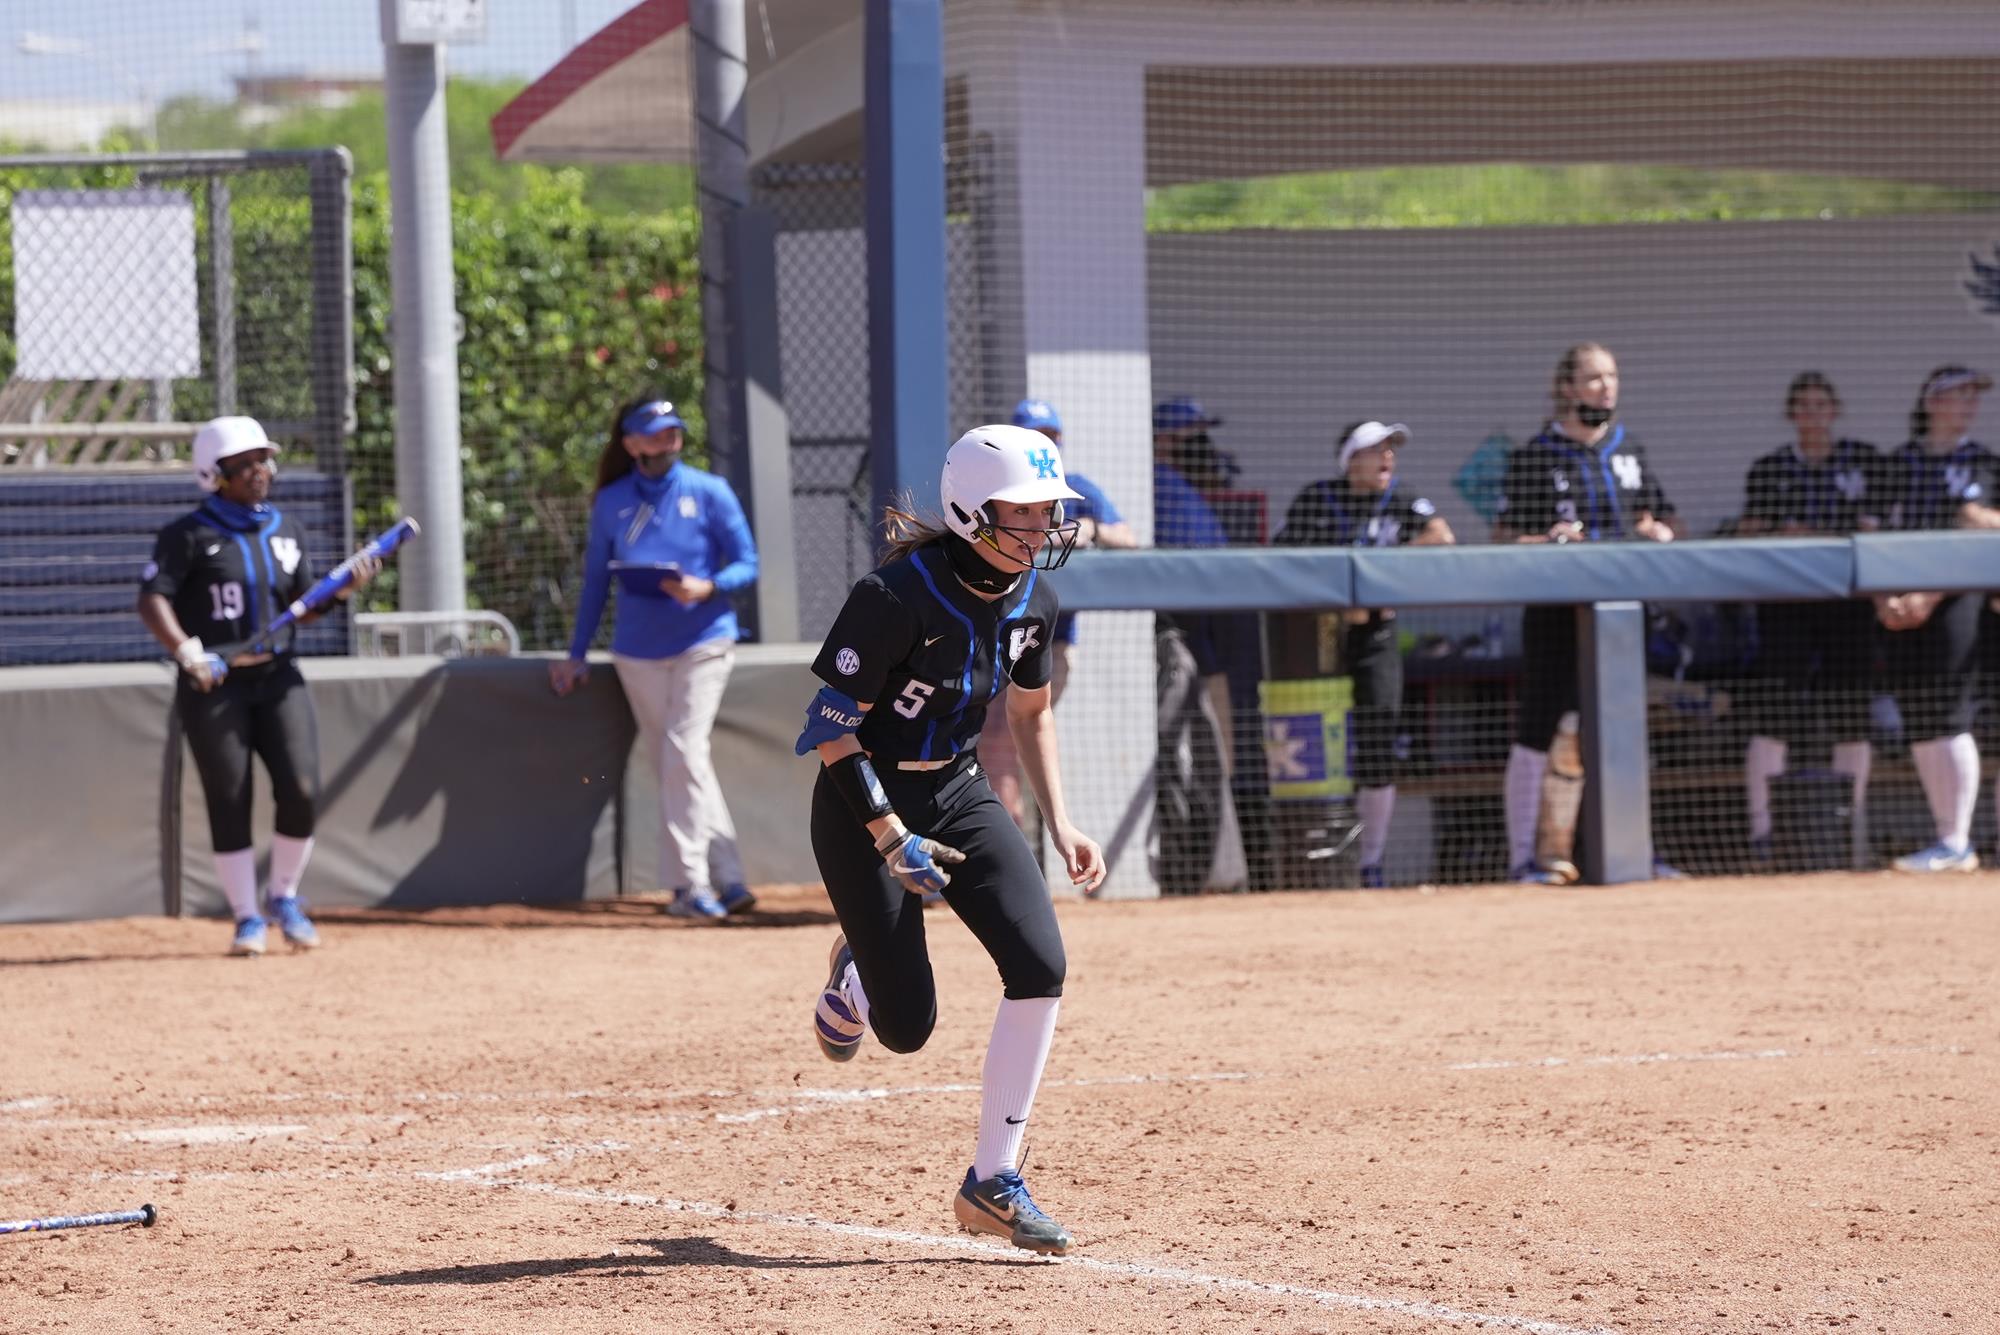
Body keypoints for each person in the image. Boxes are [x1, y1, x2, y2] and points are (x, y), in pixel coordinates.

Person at [797, 423, 1105, 1256]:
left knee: (1040, 963)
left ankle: (993, 1180)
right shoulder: (895, 594)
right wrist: (893, 838)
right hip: (863, 795)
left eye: (1051, 513)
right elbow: (831, 731)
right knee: (907, 1028)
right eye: (1026, 513)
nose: (1043, 529)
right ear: (972, 511)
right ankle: (860, 969)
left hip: (957, 786)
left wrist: (1062, 817)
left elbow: (1030, 712)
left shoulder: (1033, 599)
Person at [137, 416, 377, 956]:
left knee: (301, 788)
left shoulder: (286, 529)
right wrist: (186, 652)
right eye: (242, 465)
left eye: (263, 460)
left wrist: (341, 592)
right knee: (230, 795)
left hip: (278, 676)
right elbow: (152, 599)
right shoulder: (188, 535)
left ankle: (284, 897)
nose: (258, 472)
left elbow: (303, 609)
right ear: (213, 474)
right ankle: (247, 916)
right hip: (214, 685)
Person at [550, 396, 759, 918]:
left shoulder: (709, 490)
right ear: (631, 443)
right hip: (637, 651)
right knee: (681, 761)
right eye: (654, 432)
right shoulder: (612, 500)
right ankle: (729, 877)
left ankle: (689, 885)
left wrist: (706, 586)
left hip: (704, 639)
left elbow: (748, 563)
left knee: (682, 752)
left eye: (673, 430)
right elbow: (596, 580)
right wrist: (576, 654)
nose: (667, 439)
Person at [1492, 342, 1679, 885]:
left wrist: (1658, 532)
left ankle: (1629, 852)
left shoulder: (1630, 449)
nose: (1606, 387)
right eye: (1594, 378)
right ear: (1567, 388)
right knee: (1539, 732)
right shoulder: (1535, 455)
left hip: (1621, 617)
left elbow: (1662, 519)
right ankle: (1526, 858)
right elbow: (1503, 539)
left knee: (1618, 730)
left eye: (1612, 376)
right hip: (1555, 614)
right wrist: (1546, 539)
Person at [1275, 420, 1454, 888]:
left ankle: (1370, 862)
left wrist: (1381, 581)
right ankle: (1311, 864)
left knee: (1379, 738)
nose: (1388, 458)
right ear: (1352, 458)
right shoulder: (1318, 498)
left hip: (1377, 635)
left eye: (1392, 449)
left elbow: (1441, 536)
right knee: (1314, 743)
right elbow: (1283, 558)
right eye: (1377, 450)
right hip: (1316, 641)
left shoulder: (1401, 497)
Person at [1736, 372, 1885, 867]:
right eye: (1803, 406)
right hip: (1786, 607)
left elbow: (1873, 528)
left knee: (1850, 713)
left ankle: (1853, 830)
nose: (1813, 415)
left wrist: (1816, 532)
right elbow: (1748, 532)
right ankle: (1763, 834)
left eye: (1822, 405)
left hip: (1849, 605)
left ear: (1835, 410)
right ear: (1791, 414)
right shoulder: (1768, 469)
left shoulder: (1865, 461)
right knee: (1774, 712)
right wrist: (1784, 532)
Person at [976, 399, 1136, 832]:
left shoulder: (1077, 487)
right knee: (993, 739)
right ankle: (1005, 837)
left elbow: (1129, 538)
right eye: (1035, 437)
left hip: (1050, 642)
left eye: (1051, 437)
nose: (1046, 444)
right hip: (990, 637)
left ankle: (1010, 839)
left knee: (1007, 734)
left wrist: (1092, 529)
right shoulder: (995, 495)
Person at [1876, 365, 2000, 872]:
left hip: (1960, 603)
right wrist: (1884, 598)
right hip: (1899, 605)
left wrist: (1985, 520)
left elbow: (1990, 529)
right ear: (1932, 402)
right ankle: (1945, 838)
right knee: (1919, 714)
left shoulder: (1986, 464)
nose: (1968, 404)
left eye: (1974, 396)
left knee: (1952, 711)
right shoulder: (1897, 464)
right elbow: (1875, 533)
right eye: (1958, 395)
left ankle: (1957, 842)